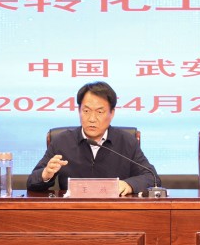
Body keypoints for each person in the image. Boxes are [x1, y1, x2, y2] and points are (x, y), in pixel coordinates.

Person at [27, 81, 159, 196]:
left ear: (112, 113)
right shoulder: (62, 141)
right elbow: (31, 183)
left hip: (115, 212)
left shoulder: (127, 141)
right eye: (86, 111)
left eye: (100, 112)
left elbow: (152, 178)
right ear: (79, 111)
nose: (92, 119)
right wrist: (45, 174)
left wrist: (129, 185)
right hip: (72, 212)